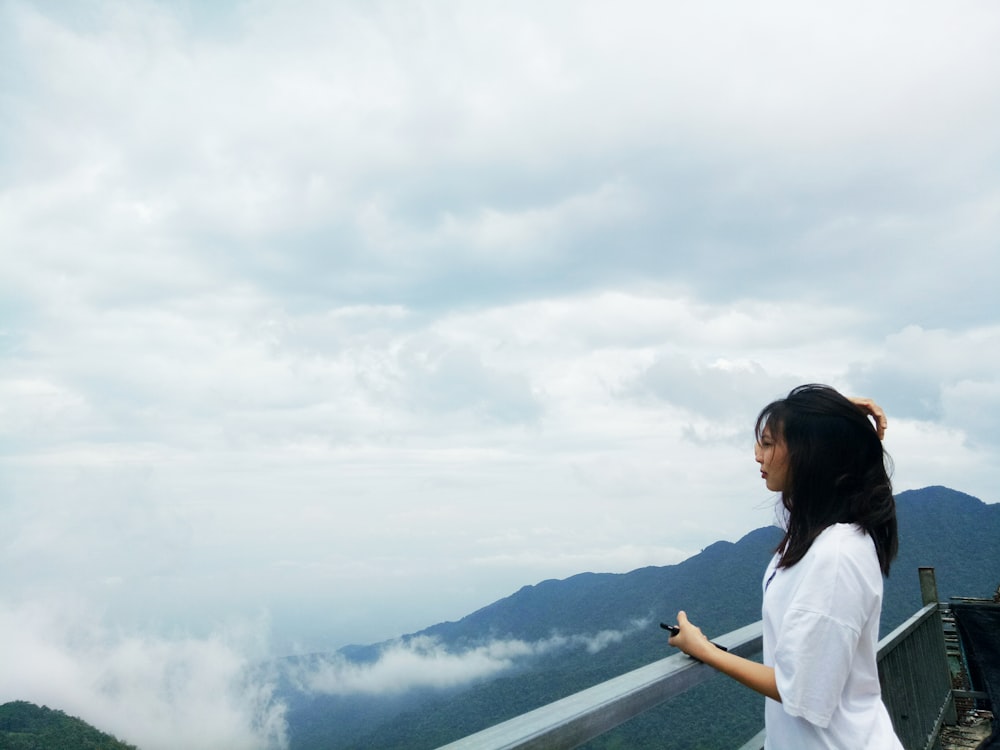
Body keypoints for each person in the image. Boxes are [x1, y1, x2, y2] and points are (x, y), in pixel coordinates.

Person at [668, 384, 904, 749]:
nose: (756, 455)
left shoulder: (837, 555)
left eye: (767, 443)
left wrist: (705, 650)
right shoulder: (812, 537)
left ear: (810, 453)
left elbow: (803, 693)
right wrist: (836, 417)